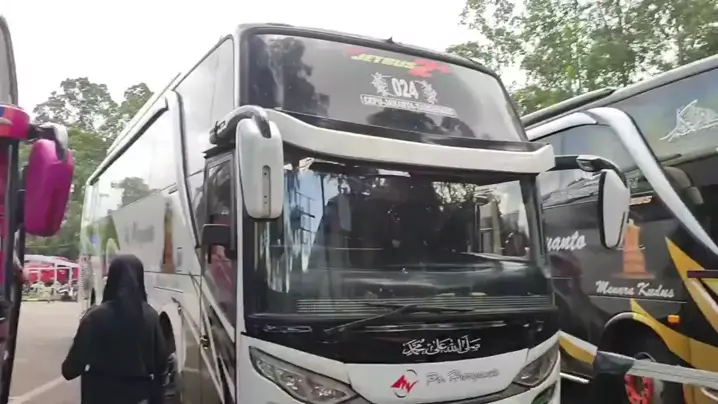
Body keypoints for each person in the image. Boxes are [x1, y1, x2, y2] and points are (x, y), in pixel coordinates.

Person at [62, 255, 168, 404]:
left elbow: (71, 369)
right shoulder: (151, 317)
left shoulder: (94, 317)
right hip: (140, 397)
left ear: (111, 278)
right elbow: (161, 365)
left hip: (99, 396)